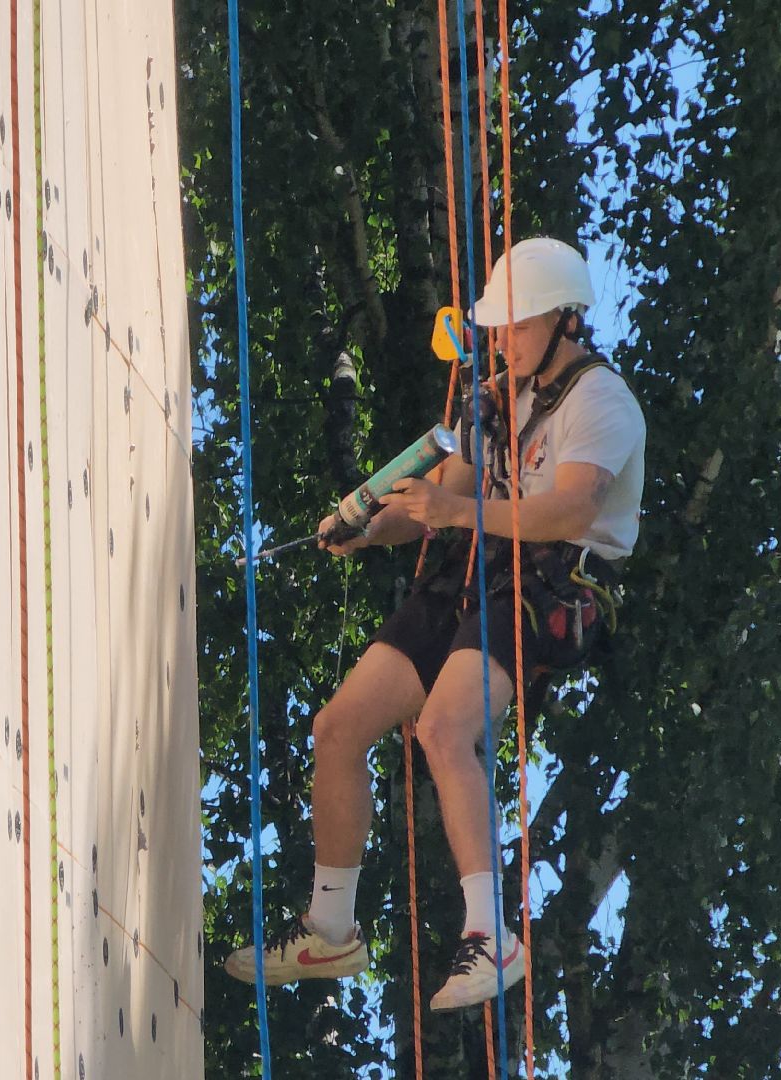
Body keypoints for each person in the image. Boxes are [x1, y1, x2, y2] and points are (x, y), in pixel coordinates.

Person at [223, 237, 647, 1010]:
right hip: (480, 568)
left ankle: (493, 936)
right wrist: (366, 528)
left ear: (562, 320)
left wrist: (454, 510)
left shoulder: (601, 402)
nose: (500, 340)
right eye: (498, 327)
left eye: (516, 327)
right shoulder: (493, 399)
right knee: (338, 726)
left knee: (446, 729)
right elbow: (436, 502)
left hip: (557, 583)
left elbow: (573, 507)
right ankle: (331, 928)